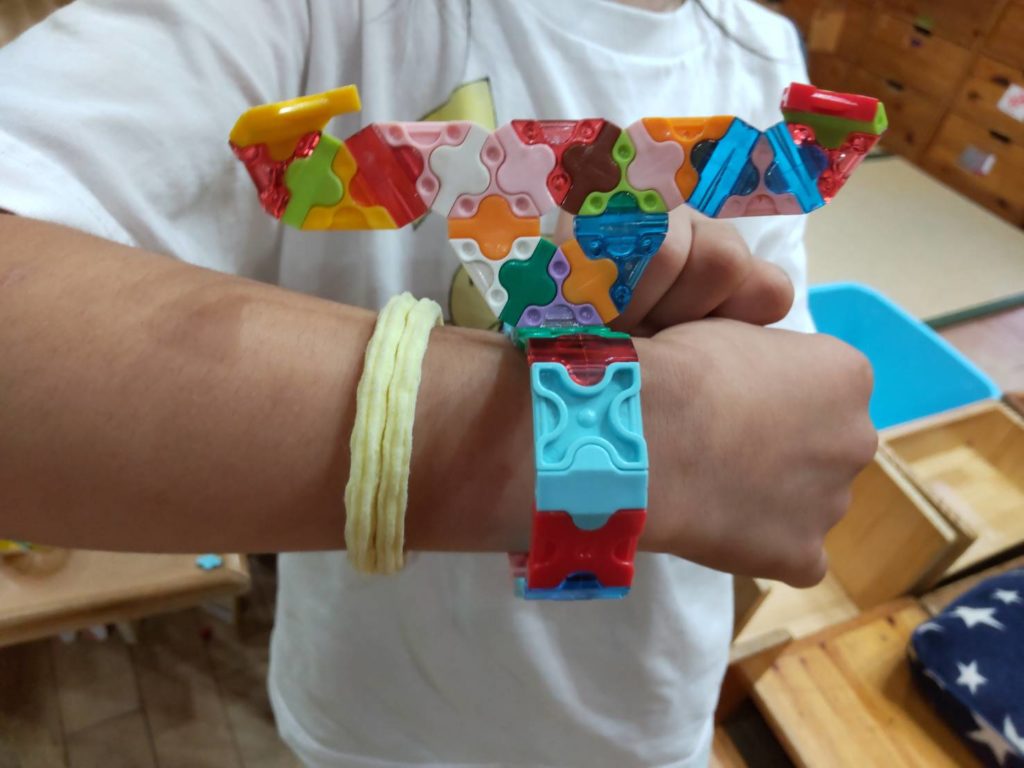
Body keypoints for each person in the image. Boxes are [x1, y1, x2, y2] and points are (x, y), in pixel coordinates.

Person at [0, 1, 876, 765]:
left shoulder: (761, 52)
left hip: (645, 712)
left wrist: (723, 412)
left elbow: (780, 393)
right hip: (383, 718)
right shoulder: (317, 20)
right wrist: (648, 437)